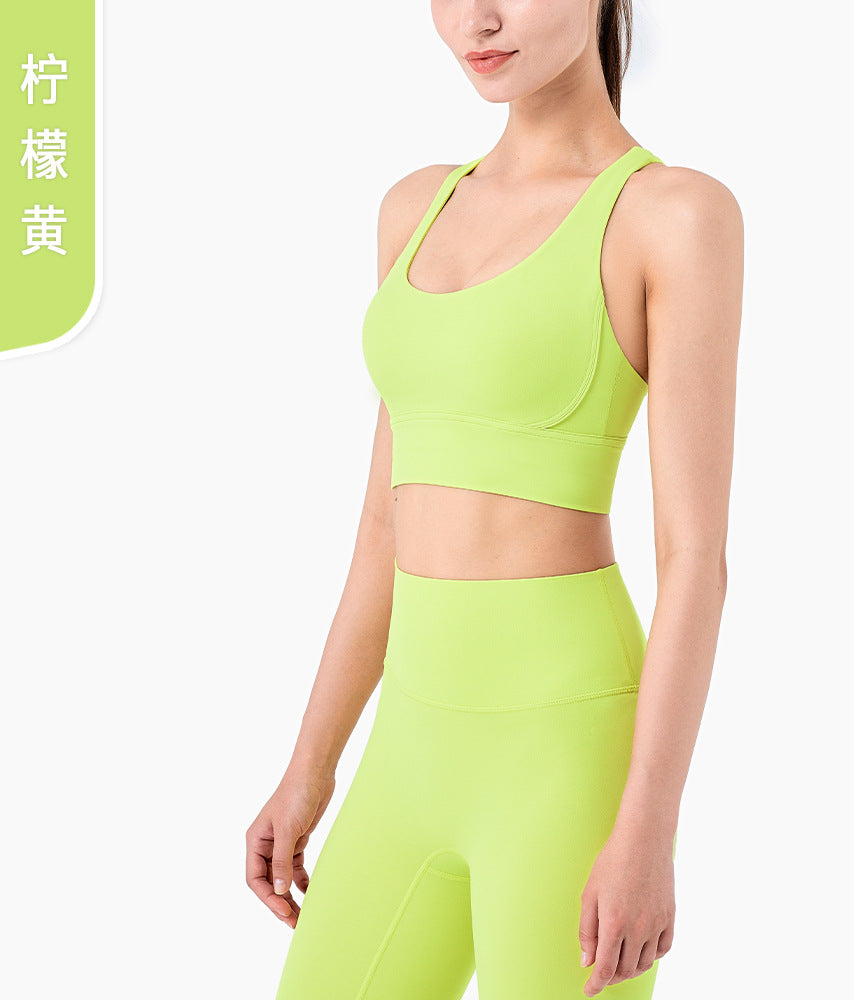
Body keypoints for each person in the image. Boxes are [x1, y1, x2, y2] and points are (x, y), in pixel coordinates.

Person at [246, 1, 743, 997]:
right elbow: (382, 525)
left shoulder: (671, 215)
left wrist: (647, 831)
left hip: (563, 748)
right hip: (408, 741)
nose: (477, 19)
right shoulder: (414, 208)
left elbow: (693, 557)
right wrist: (310, 762)